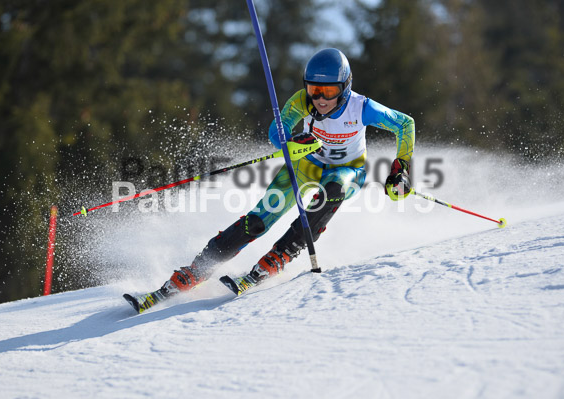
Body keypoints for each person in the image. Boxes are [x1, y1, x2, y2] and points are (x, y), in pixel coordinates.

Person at [131, 48, 415, 310]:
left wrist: (400, 167)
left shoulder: (361, 107)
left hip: (347, 169)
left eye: (329, 91)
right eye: (315, 90)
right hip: (307, 165)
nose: (321, 99)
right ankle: (196, 270)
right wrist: (290, 142)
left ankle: (281, 255)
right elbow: (276, 132)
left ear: (345, 86)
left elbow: (405, 123)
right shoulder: (302, 102)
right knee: (259, 219)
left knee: (331, 191)